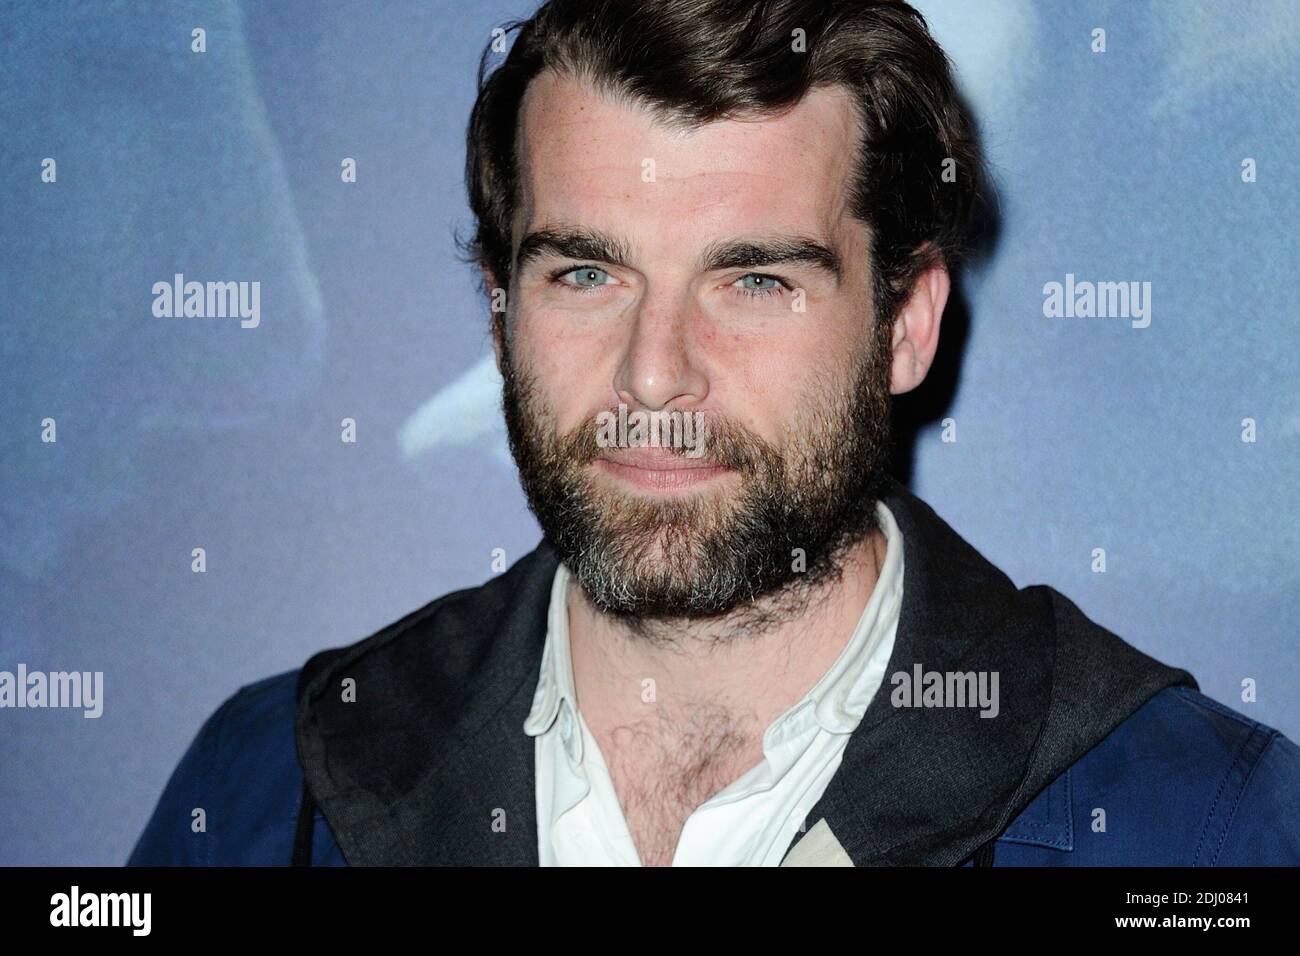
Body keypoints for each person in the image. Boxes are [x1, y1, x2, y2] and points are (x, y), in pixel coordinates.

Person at [128, 0, 1300, 867]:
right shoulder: (264, 793)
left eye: (753, 281)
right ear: (500, 310)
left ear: (905, 324)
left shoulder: (1196, 832)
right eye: (586, 272)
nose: (655, 373)